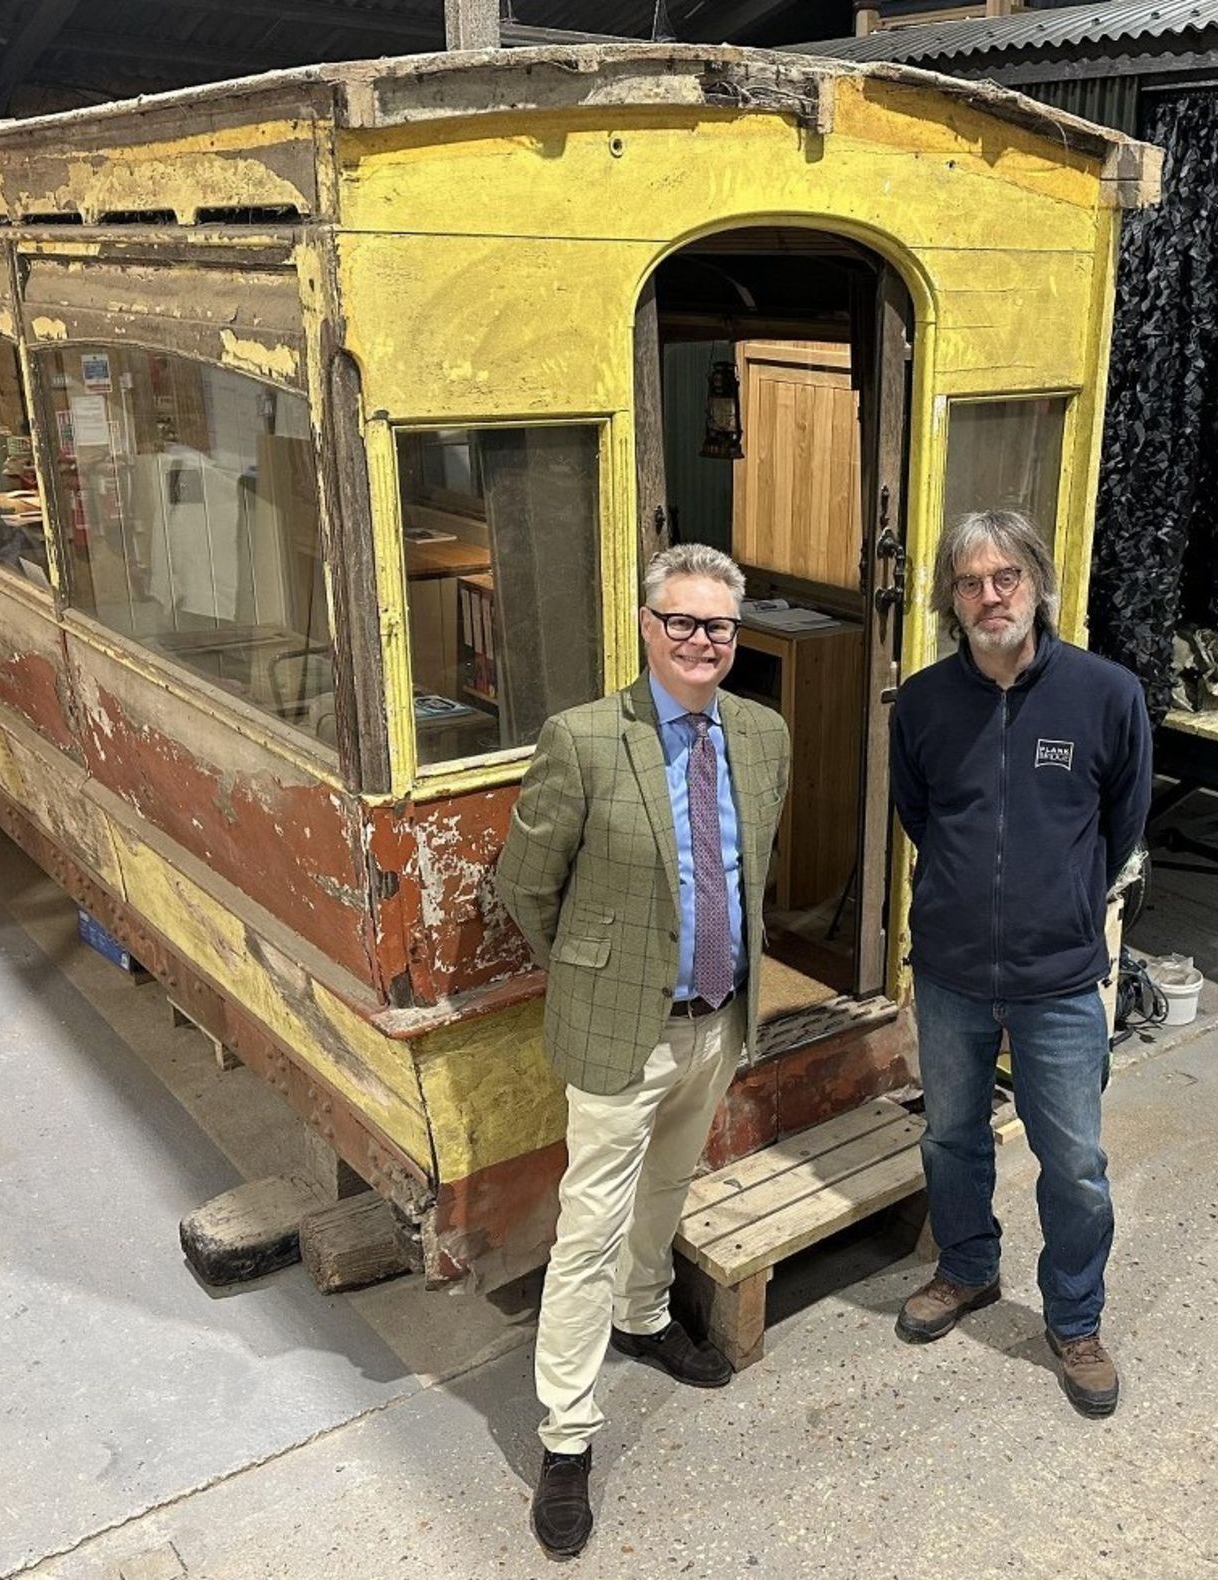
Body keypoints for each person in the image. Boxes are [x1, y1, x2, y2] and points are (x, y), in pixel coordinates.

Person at [497, 543, 790, 1559]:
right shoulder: (581, 740)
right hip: (621, 1029)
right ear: (645, 624)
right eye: (682, 621)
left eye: (718, 626)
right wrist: (593, 970)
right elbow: (525, 883)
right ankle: (567, 1438)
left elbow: (752, 869)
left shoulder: (762, 735)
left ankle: (646, 1311)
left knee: (669, 1192)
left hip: (717, 1017)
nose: (701, 640)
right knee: (588, 1227)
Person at [888, 508, 1151, 1419]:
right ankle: (967, 1270)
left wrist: (1060, 905)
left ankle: (1075, 1319)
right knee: (949, 1136)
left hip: (1060, 977)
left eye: (1005, 577)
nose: (989, 595)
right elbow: (919, 815)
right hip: (951, 970)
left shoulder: (1108, 695)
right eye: (969, 583)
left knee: (1073, 1160)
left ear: (1037, 582)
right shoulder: (922, 703)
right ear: (949, 600)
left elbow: (1123, 824)